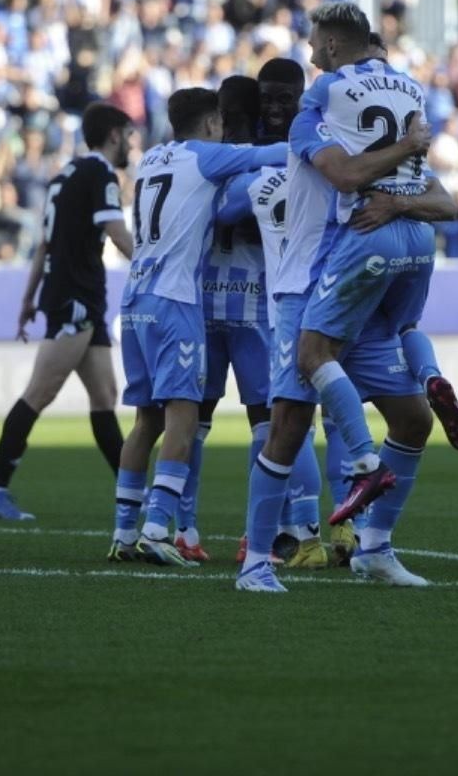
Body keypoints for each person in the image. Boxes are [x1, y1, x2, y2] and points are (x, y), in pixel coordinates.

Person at [237, 3, 454, 592]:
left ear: (332, 49)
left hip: (349, 275)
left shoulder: (322, 106)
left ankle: (374, 548)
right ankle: (257, 561)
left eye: (314, 45)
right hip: (304, 285)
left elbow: (358, 177)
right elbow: (368, 174)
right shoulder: (400, 99)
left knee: (411, 420)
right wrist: (409, 144)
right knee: (289, 423)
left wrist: (399, 191)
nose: (310, 56)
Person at [107, 88, 287, 566]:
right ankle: (156, 527)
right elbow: (278, 153)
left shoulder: (149, 159)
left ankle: (123, 532)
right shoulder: (207, 157)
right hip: (175, 301)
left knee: (145, 420)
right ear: (211, 124)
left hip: (134, 300)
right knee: (182, 418)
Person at [0, 103, 135, 521]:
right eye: (128, 136)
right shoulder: (101, 174)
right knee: (40, 392)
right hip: (76, 298)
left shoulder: (64, 175)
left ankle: (133, 490)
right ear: (114, 135)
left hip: (78, 297)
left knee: (105, 396)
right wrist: (156, 268)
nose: (131, 144)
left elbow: (44, 244)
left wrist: (29, 299)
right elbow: (117, 233)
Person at [174, 75, 274, 563]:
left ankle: (183, 529)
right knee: (267, 423)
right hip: (253, 306)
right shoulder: (260, 159)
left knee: (191, 422)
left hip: (201, 305)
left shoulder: (194, 160)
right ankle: (258, 537)